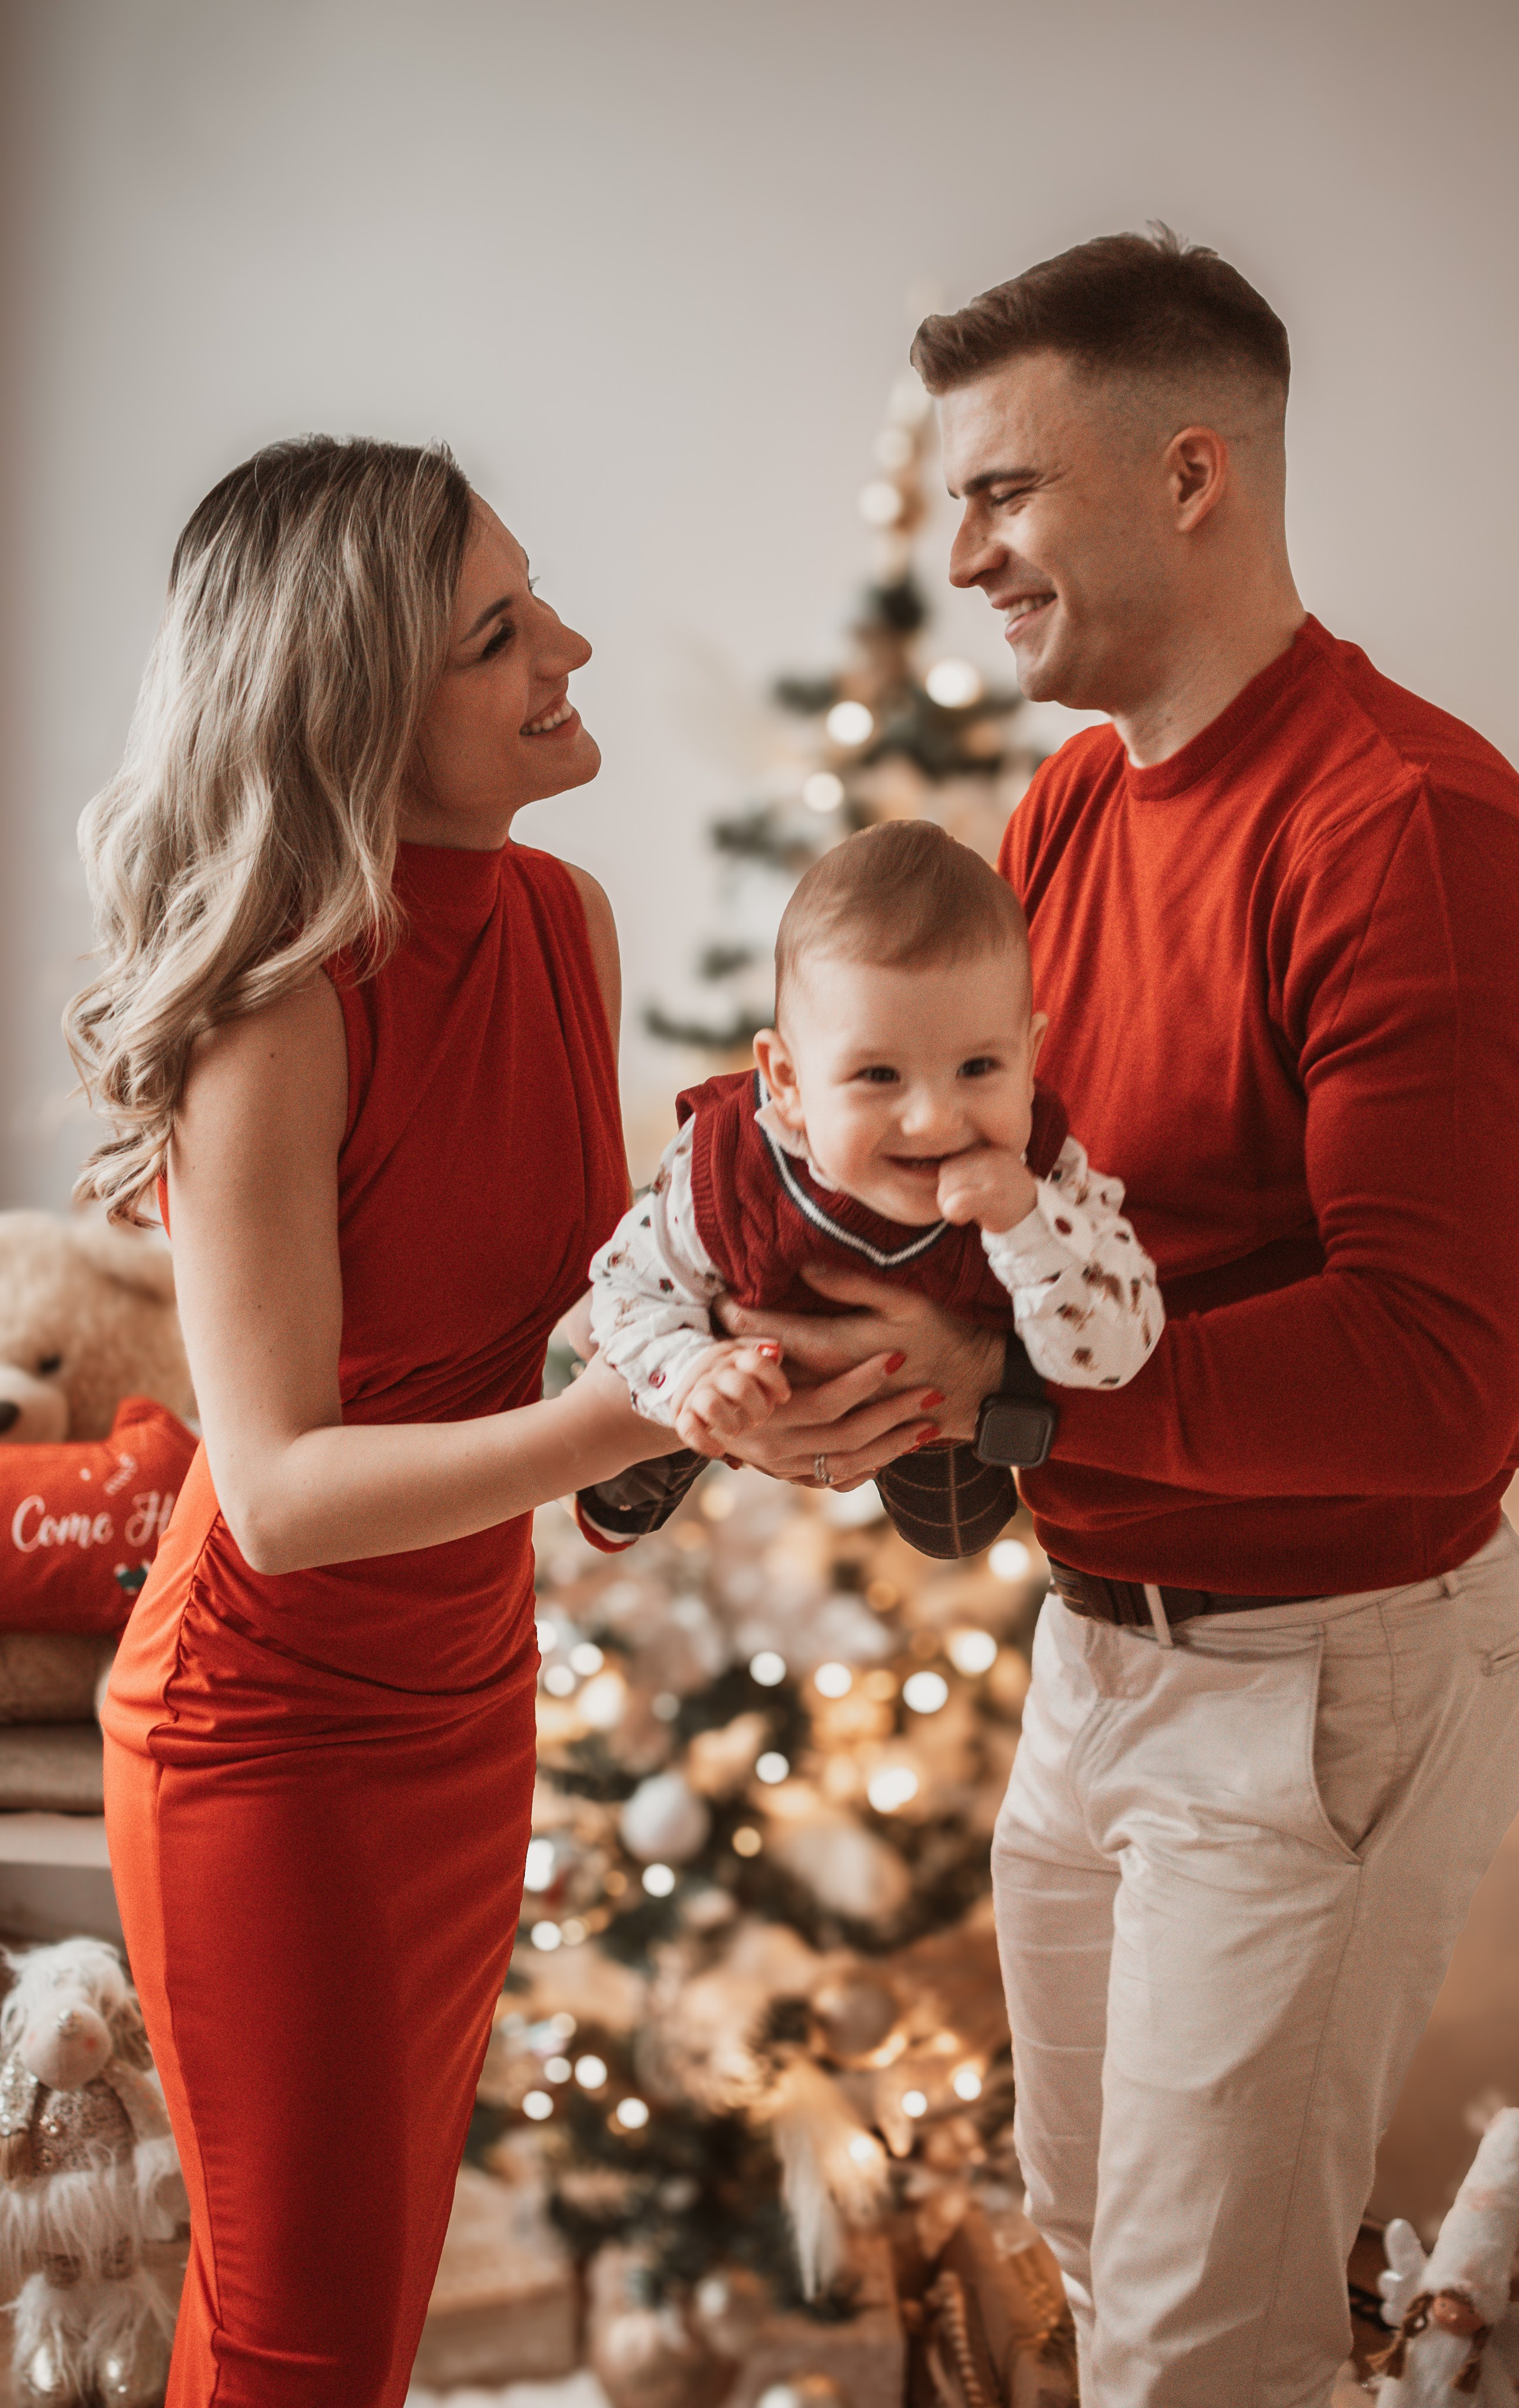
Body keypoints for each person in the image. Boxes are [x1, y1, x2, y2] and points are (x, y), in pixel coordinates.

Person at [715, 230, 1519, 2407]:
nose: (964, 553)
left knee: (1202, 2354)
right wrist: (789, 1266)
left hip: (1323, 1676)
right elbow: (1017, 1229)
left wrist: (993, 1395)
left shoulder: (1417, 833)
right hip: (1099, 1646)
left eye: (1003, 488)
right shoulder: (1069, 810)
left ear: (1190, 474)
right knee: (1107, 2272)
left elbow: (1430, 1383)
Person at [68, 438, 910, 2408]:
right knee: (297, 2347)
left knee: (343, 2327)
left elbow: (572, 1345)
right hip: (265, 1747)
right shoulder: (277, 1014)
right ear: (356, 708)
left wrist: (750, 1397)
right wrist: (629, 1410)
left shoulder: (559, 921)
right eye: (498, 634)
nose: (570, 648)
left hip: (465, 1706)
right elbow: (280, 1494)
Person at [576, 818, 1162, 1558]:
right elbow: (621, 1292)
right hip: (742, 1337)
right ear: (788, 1080)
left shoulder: (1047, 1173)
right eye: (879, 1075)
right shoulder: (726, 1166)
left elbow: (1118, 1351)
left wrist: (1028, 1225)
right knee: (676, 1376)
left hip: (938, 1385)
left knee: (953, 1530)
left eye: (979, 1068)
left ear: (1029, 1055)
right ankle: (659, 1448)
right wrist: (695, 1372)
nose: (933, 1119)